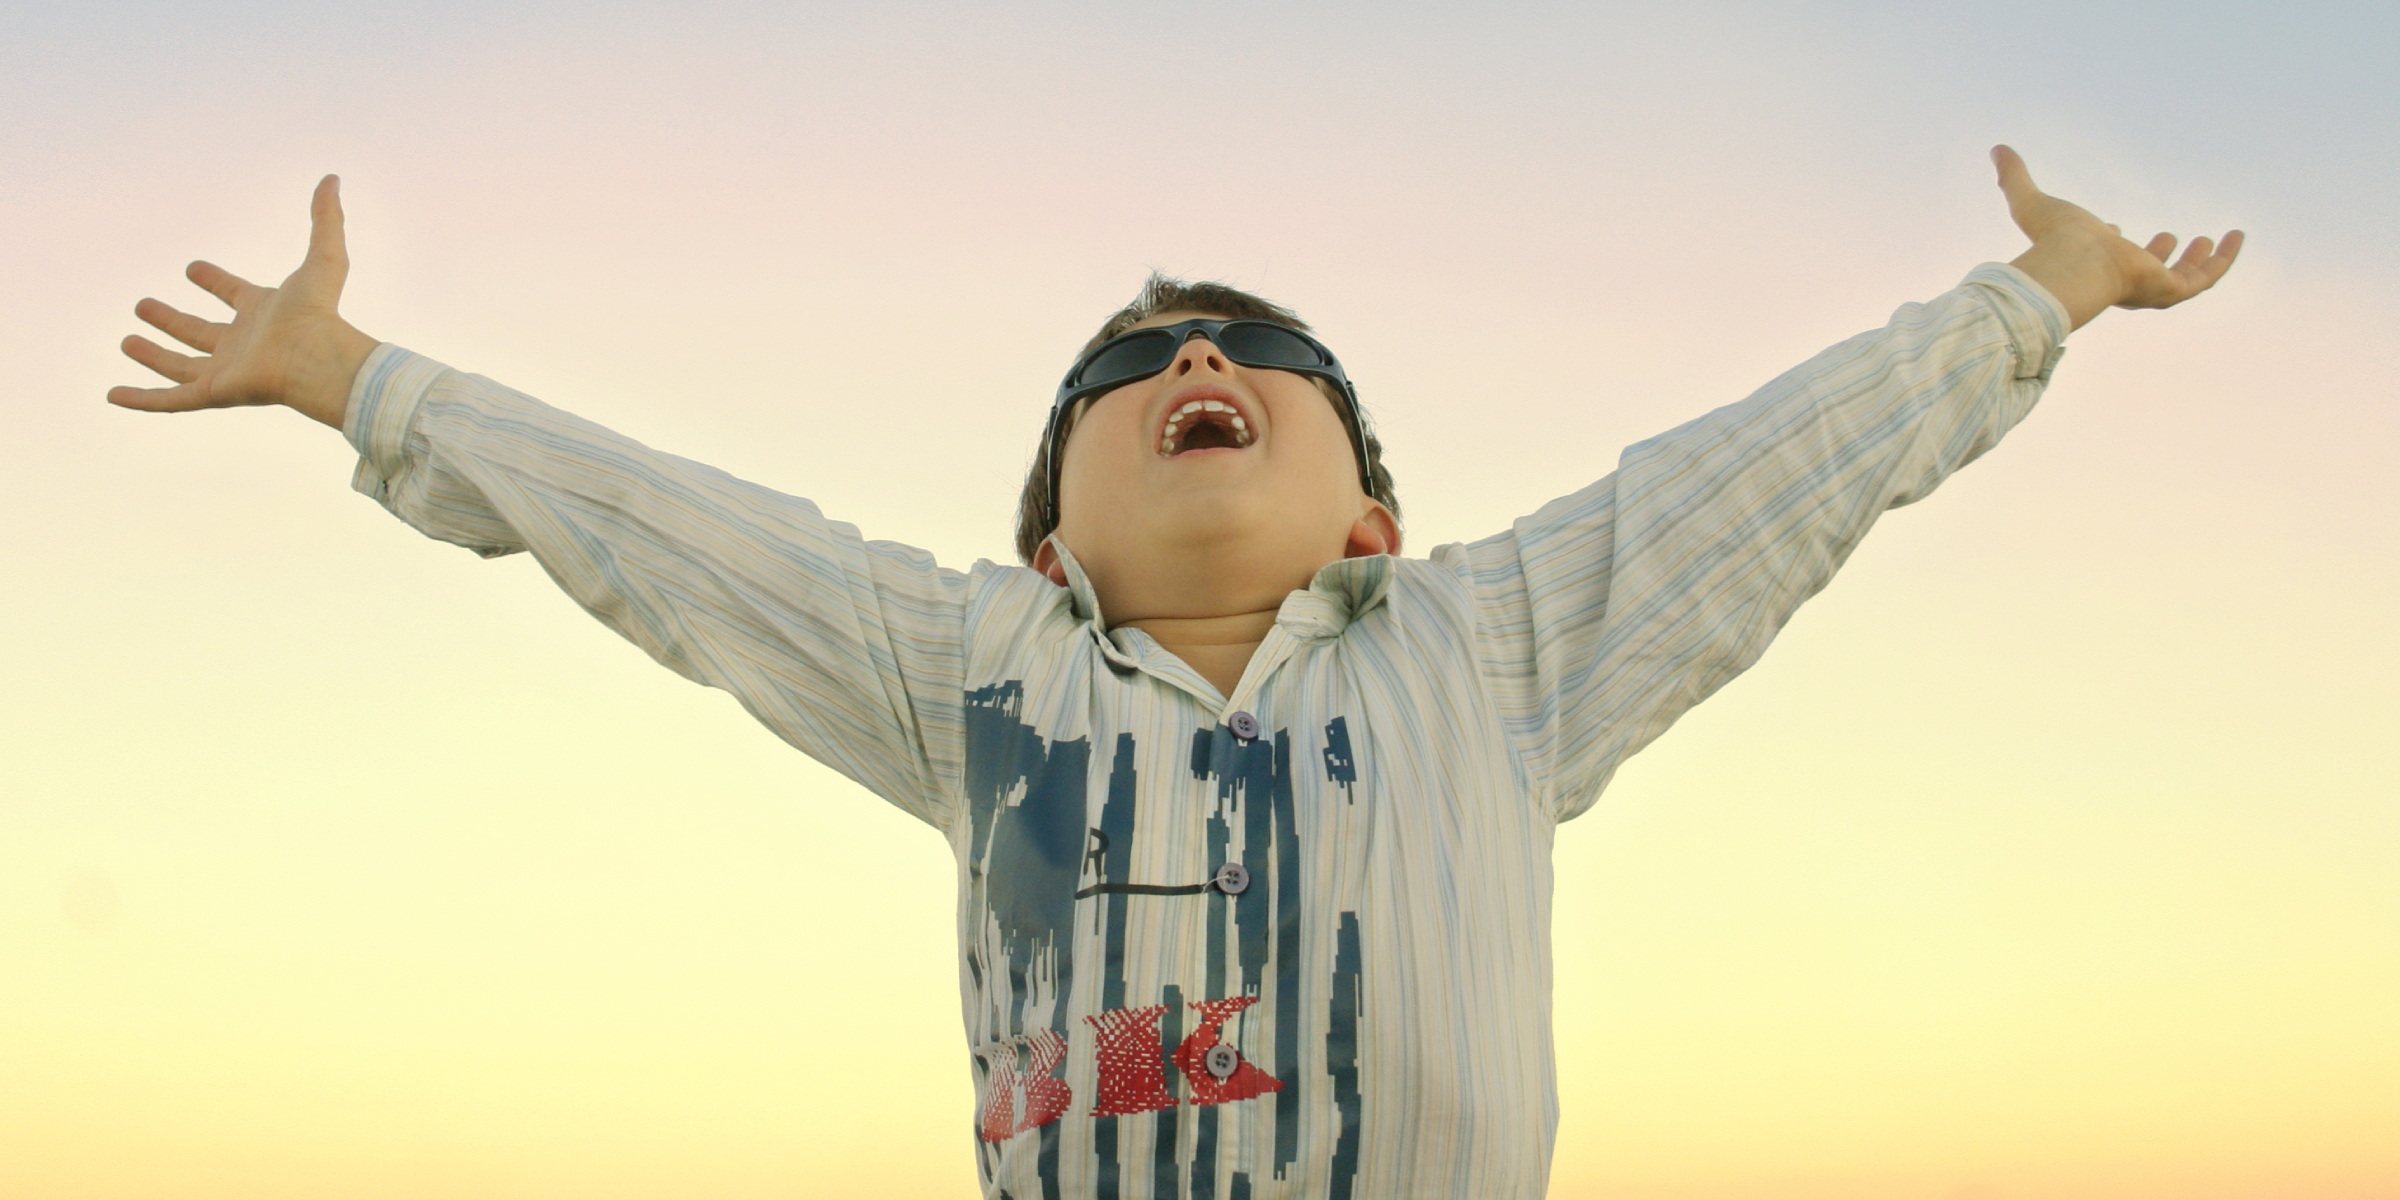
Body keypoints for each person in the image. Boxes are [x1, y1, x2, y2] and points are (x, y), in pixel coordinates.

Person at [108, 146, 2241, 1200]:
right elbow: (668, 536)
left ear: (1374, 516)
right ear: (1052, 532)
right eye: (1127, 369)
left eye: (1257, 358)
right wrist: (355, 378)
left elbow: (1794, 466)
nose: (1192, 362)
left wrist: (2031, 294)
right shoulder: (972, 667)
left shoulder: (1490, 644)